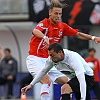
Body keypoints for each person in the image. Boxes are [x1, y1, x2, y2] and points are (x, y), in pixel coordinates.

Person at [26, 0, 100, 100]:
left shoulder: (62, 26)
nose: (58, 16)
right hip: (35, 58)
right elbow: (35, 31)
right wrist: (44, 37)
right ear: (50, 13)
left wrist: (92, 38)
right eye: (56, 13)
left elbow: (77, 34)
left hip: (50, 59)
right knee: (46, 80)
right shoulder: (44, 23)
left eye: (60, 14)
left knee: (67, 82)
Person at [21, 43, 94, 100]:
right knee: (67, 89)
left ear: (60, 53)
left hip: (87, 77)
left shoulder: (72, 58)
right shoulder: (51, 59)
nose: (51, 58)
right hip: (74, 78)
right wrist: (31, 85)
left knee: (65, 88)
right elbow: (43, 72)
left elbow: (82, 81)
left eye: (52, 55)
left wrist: (83, 98)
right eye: (49, 55)